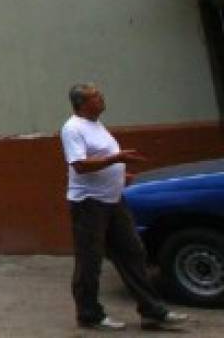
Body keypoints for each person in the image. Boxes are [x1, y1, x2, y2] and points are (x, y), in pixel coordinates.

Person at [61, 83, 188, 331]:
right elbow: (79, 165)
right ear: (82, 104)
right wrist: (116, 159)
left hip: (113, 198)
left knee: (133, 252)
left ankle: (152, 312)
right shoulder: (73, 128)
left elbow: (100, 159)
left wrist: (121, 173)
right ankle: (89, 315)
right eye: (95, 97)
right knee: (90, 260)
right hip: (89, 203)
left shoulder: (96, 124)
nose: (101, 99)